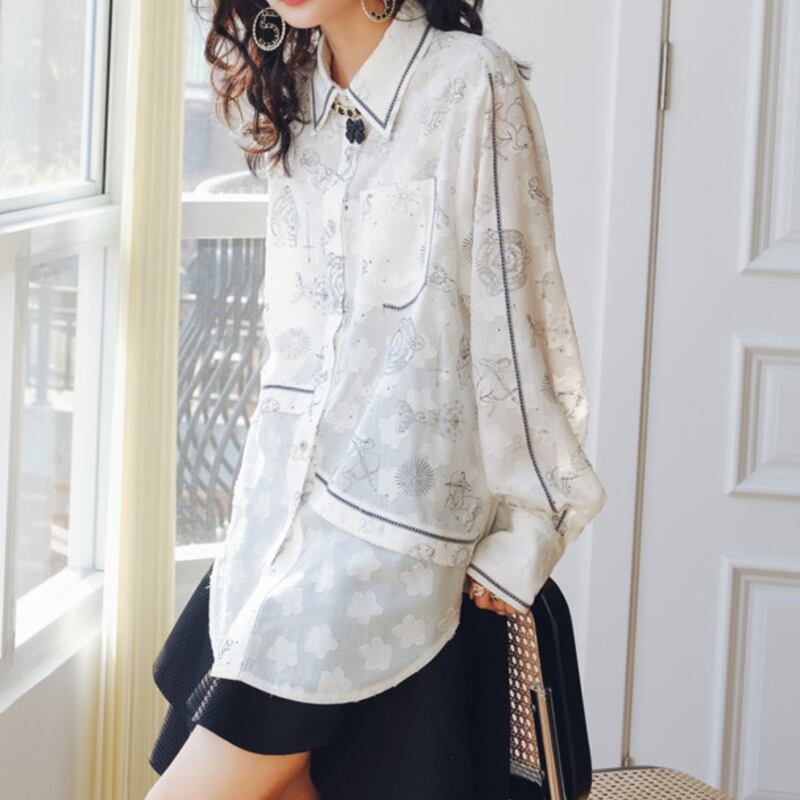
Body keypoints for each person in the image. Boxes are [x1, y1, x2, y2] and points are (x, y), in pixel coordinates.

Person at [146, 0, 608, 798]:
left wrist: (533, 528)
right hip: (283, 538)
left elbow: (519, 324)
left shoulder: (471, 85)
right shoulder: (292, 97)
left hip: (393, 550)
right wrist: (258, 514)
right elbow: (293, 348)